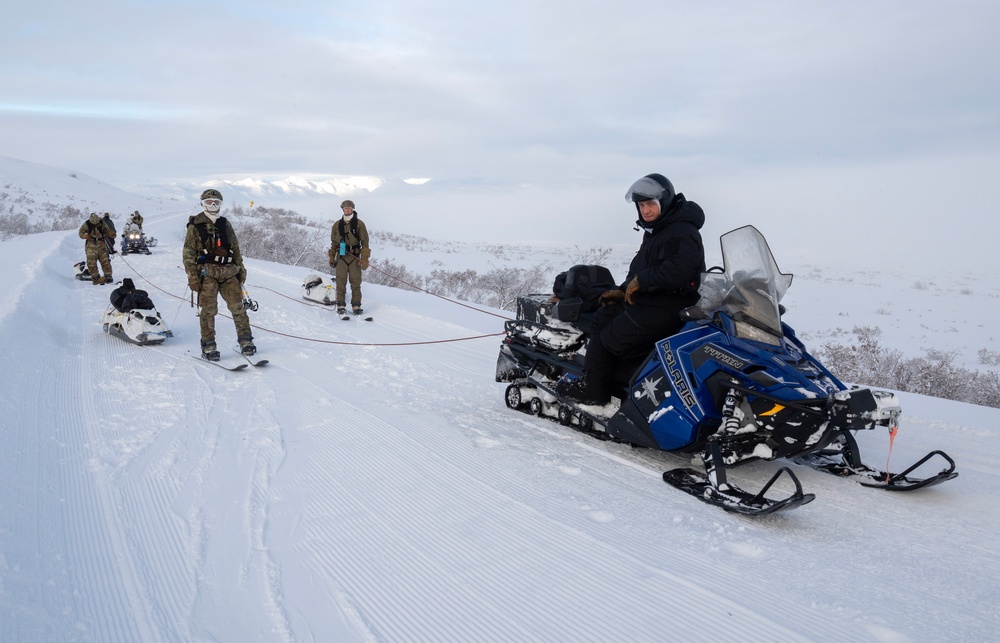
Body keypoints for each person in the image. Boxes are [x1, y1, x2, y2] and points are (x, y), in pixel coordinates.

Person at [556, 173, 706, 405]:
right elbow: (644, 268)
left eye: (650, 204)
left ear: (664, 202)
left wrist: (641, 282)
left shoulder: (681, 231)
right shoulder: (660, 229)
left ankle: (593, 391)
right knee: (602, 315)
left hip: (668, 306)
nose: (645, 210)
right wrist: (623, 289)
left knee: (608, 336)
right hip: (654, 301)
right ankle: (614, 381)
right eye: (641, 205)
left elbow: (679, 271)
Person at [182, 188, 255, 361]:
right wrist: (192, 277)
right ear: (202, 203)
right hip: (207, 273)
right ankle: (208, 345)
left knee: (238, 307)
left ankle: (246, 340)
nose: (212, 205)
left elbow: (235, 248)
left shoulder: (225, 224)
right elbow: (188, 253)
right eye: (209, 202)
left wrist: (241, 269)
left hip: (229, 272)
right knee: (208, 310)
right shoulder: (195, 225)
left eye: (216, 202)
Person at [328, 199, 370, 315]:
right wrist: (332, 257)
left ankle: (356, 305)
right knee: (340, 282)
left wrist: (364, 258)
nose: (347, 210)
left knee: (355, 282)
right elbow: (333, 243)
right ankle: (340, 304)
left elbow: (365, 242)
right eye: (345, 208)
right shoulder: (337, 225)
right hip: (341, 257)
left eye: (349, 208)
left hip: (355, 256)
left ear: (352, 209)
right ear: (342, 209)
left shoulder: (359, 224)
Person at [78, 213, 115, 285]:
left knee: (105, 261)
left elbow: (106, 231)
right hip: (91, 244)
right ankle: (96, 277)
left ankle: (108, 276)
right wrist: (84, 236)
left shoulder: (102, 223)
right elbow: (80, 232)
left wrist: (110, 233)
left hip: (101, 244)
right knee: (91, 262)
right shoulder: (86, 224)